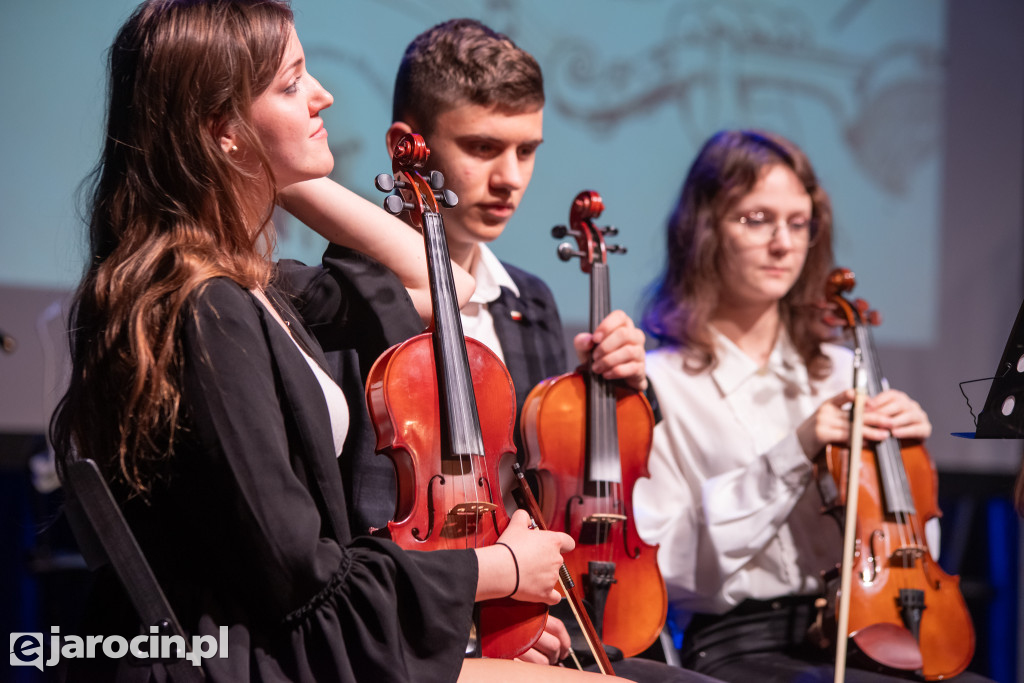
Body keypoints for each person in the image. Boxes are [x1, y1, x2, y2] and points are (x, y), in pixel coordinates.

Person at [50, 2, 605, 681]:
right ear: (222, 128)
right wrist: (499, 569)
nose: (324, 96)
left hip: (315, 639)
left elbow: (440, 288)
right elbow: (303, 580)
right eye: (291, 84)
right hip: (273, 659)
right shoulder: (206, 310)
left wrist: (283, 174)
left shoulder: (256, 286)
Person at [285, 17, 721, 683]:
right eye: (483, 147)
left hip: (524, 623)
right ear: (411, 144)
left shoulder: (530, 299)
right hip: (407, 630)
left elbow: (542, 491)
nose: (509, 178)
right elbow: (347, 514)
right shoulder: (342, 297)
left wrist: (616, 391)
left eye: (527, 150)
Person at [633, 129, 990, 682]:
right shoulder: (660, 381)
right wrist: (795, 450)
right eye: (756, 219)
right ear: (704, 230)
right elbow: (673, 568)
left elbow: (911, 555)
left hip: (869, 630)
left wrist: (905, 465)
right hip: (740, 647)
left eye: (798, 223)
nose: (783, 244)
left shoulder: (839, 368)